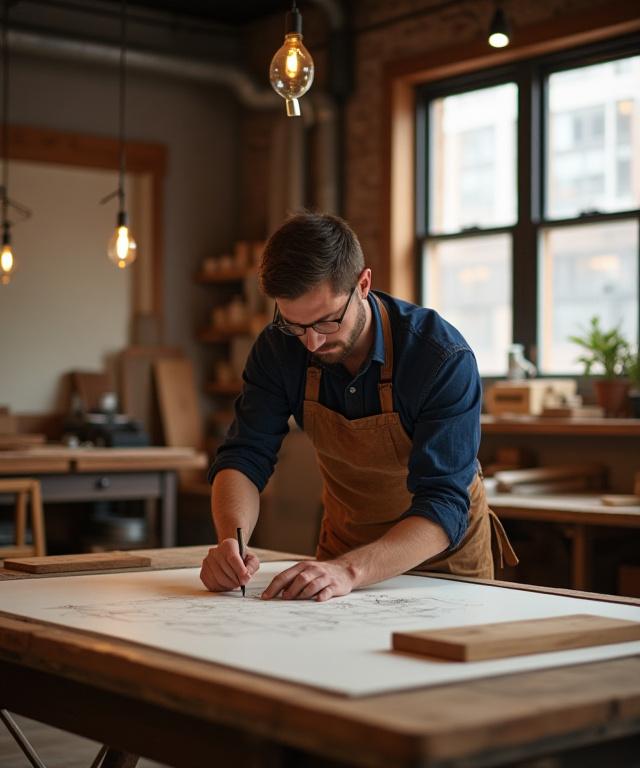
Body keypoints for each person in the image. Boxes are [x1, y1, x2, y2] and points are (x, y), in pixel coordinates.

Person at [200, 212, 516, 601]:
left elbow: (444, 502)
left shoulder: (440, 358)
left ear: (363, 284)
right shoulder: (278, 348)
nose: (312, 342)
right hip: (344, 551)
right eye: (295, 325)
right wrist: (231, 541)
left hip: (442, 562)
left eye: (327, 322)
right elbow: (245, 455)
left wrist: (350, 571)